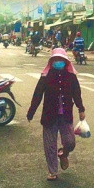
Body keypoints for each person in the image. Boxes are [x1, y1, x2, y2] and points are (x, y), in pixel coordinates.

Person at [27, 48, 86, 181]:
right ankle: (52, 171)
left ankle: (63, 154)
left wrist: (81, 109)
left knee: (70, 142)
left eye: (61, 59)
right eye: (56, 59)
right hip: (49, 115)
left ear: (65, 61)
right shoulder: (46, 76)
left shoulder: (71, 76)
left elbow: (76, 93)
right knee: (49, 145)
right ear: (52, 61)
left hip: (66, 115)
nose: (58, 61)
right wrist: (31, 111)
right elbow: (37, 94)